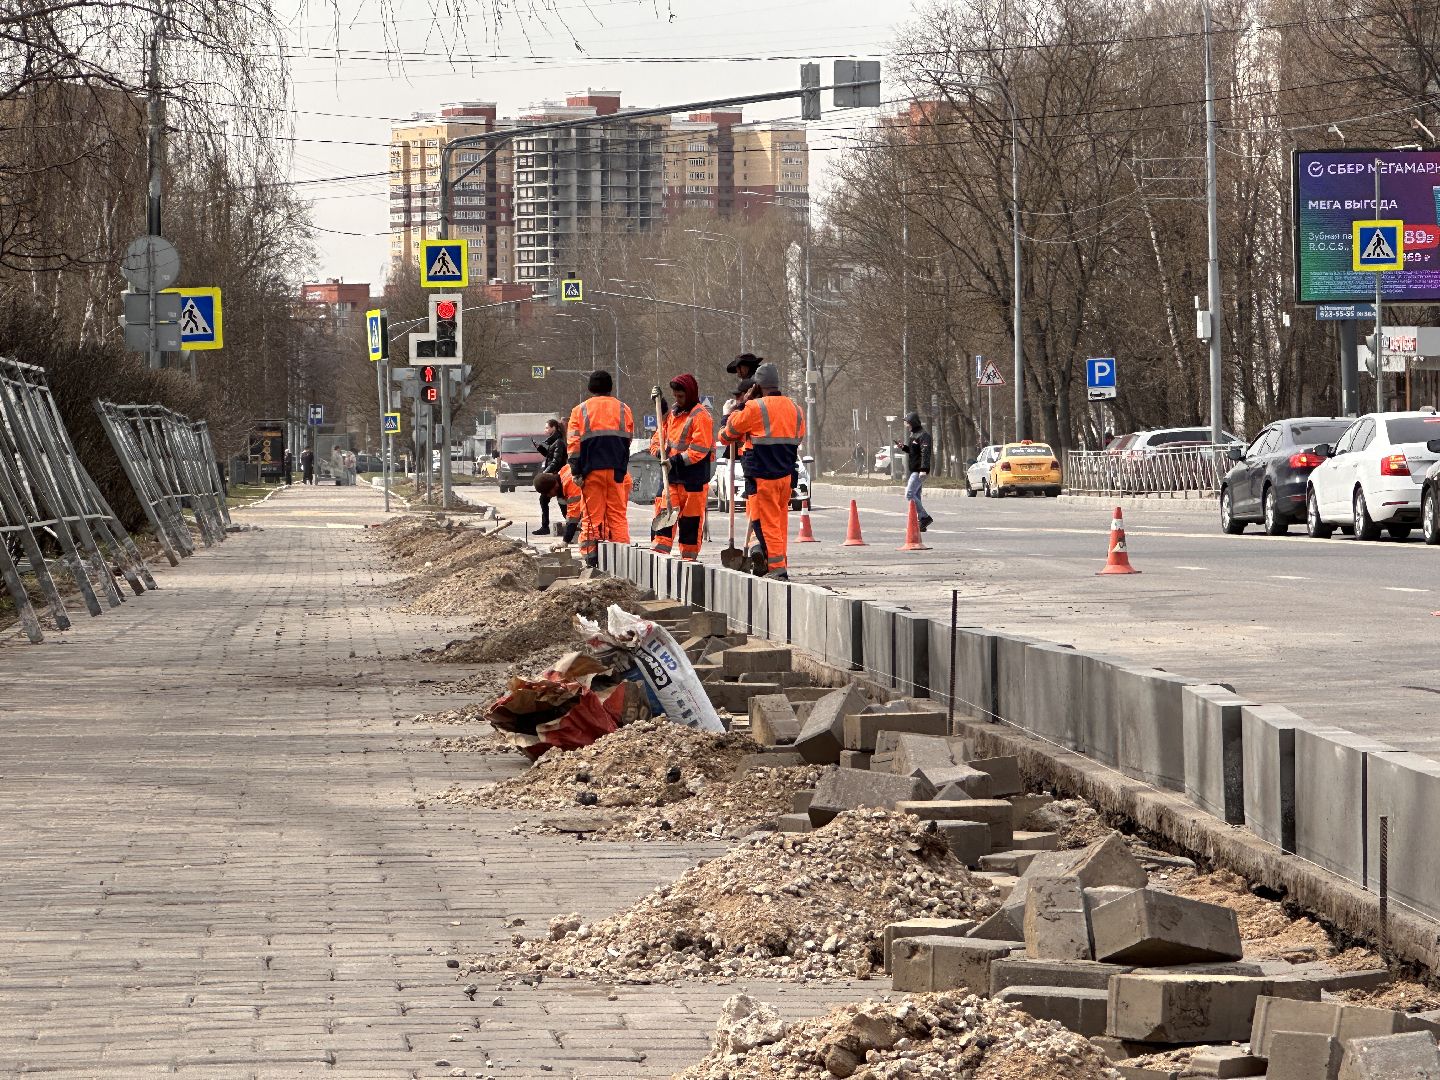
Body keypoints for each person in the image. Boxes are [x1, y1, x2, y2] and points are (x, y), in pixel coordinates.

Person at [721, 362, 804, 580]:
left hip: (762, 475)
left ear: (758, 385)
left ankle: (777, 569)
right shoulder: (796, 409)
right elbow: (797, 437)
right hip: (786, 476)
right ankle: (778, 562)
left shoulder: (755, 408)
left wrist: (736, 409)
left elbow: (726, 434)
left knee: (765, 524)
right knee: (779, 523)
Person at [566, 370, 634, 567]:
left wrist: (576, 471)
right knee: (617, 516)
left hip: (591, 471)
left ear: (590, 388)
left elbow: (574, 445)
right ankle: (622, 561)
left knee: (591, 517)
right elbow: (627, 440)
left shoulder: (580, 410)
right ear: (610, 387)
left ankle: (591, 560)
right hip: (617, 471)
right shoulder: (624, 409)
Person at [650, 373, 714, 561]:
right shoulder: (673, 415)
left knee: (690, 525)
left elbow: (699, 450)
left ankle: (688, 561)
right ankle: (659, 557)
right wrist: (657, 451)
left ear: (690, 394)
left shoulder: (701, 416)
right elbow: (659, 437)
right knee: (664, 519)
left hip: (692, 480)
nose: (677, 400)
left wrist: (674, 461)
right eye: (675, 396)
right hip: (672, 478)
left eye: (681, 396)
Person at [896, 411, 934, 532]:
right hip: (915, 469)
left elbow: (925, 453)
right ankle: (921, 522)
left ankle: (924, 517)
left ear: (912, 423)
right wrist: (904, 447)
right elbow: (914, 452)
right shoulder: (914, 435)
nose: (906, 425)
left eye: (907, 423)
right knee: (916, 495)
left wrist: (923, 469)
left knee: (909, 494)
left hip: (919, 470)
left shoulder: (923, 435)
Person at [533, 467, 582, 545]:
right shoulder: (563, 471)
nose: (550, 496)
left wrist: (565, 541)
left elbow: (573, 518)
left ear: (554, 487)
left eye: (548, 494)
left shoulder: (572, 487)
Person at [534, 418, 566, 534]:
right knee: (545, 499)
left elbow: (556, 461)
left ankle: (571, 525)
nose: (545, 430)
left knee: (562, 502)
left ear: (554, 428)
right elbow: (550, 456)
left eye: (547, 427)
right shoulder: (554, 442)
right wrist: (540, 449)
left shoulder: (559, 442)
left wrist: (545, 474)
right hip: (552, 476)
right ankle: (545, 527)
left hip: (557, 478)